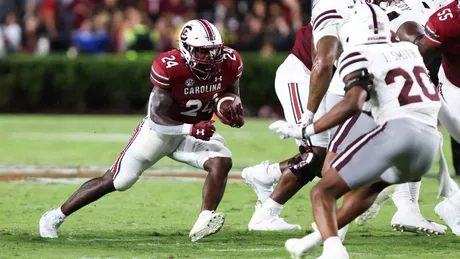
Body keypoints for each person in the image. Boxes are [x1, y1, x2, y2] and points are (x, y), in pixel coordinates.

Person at [39, 19, 245, 242]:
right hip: (161, 132)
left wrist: (231, 110)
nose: (212, 58)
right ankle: (54, 216)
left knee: (222, 160)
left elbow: (230, 94)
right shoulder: (169, 67)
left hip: (195, 131)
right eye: (204, 52)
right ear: (186, 49)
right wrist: (190, 129)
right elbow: (156, 118)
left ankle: (204, 219)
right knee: (119, 180)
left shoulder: (230, 61)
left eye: (215, 51)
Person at [272, 3, 442, 258]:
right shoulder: (408, 48)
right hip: (430, 144)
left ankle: (333, 250)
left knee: (323, 189)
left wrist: (306, 129)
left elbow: (352, 104)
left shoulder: (357, 53)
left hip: (398, 132)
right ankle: (313, 240)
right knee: (368, 188)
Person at [241, 24, 327, 231]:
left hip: (327, 83)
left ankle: (266, 174)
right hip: (303, 78)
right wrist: (310, 113)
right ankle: (265, 215)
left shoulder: (375, 18)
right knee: (315, 155)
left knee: (332, 159)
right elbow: (321, 63)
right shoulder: (336, 12)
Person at [418, 0, 460, 235]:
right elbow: (420, 54)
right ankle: (452, 205)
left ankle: (454, 204)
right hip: (455, 89)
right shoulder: (445, 22)